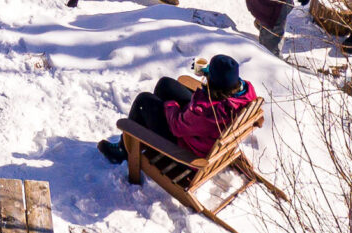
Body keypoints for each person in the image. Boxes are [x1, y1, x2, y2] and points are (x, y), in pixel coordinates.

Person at [97, 54, 257, 168]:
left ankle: (123, 150)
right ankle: (145, 131)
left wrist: (171, 105)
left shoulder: (206, 111)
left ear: (214, 83)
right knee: (165, 84)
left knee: (144, 101)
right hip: (206, 131)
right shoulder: (245, 92)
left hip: (189, 147)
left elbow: (177, 126)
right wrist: (210, 77)